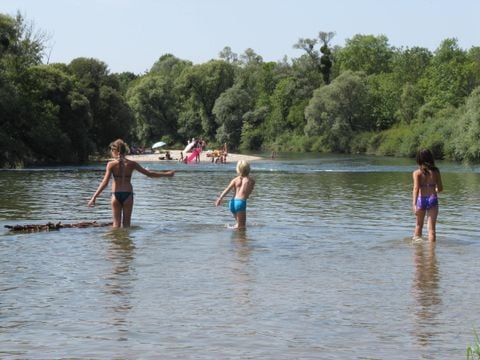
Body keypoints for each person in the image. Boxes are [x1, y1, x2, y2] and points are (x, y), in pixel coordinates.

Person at [88, 139, 175, 228]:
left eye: (111, 150)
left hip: (115, 195)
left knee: (116, 226)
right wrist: (167, 174)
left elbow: (105, 182)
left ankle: (115, 241)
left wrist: (94, 197)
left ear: (115, 151)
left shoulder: (111, 164)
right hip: (128, 195)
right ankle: (126, 241)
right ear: (124, 151)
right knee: (126, 225)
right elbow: (149, 174)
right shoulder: (132, 164)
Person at [412, 149, 443, 242]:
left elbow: (416, 189)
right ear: (431, 158)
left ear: (419, 159)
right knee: (432, 230)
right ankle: (431, 253)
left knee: (418, 226)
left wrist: (414, 204)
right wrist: (436, 189)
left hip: (421, 200)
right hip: (432, 199)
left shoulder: (417, 173)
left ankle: (417, 252)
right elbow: (440, 188)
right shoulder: (436, 172)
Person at [215, 160, 255, 230]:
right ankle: (241, 240)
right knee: (242, 227)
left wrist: (220, 198)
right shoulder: (251, 180)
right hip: (240, 203)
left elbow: (227, 189)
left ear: (238, 169)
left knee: (239, 224)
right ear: (248, 168)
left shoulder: (235, 180)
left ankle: (234, 235)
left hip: (232, 203)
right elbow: (249, 192)